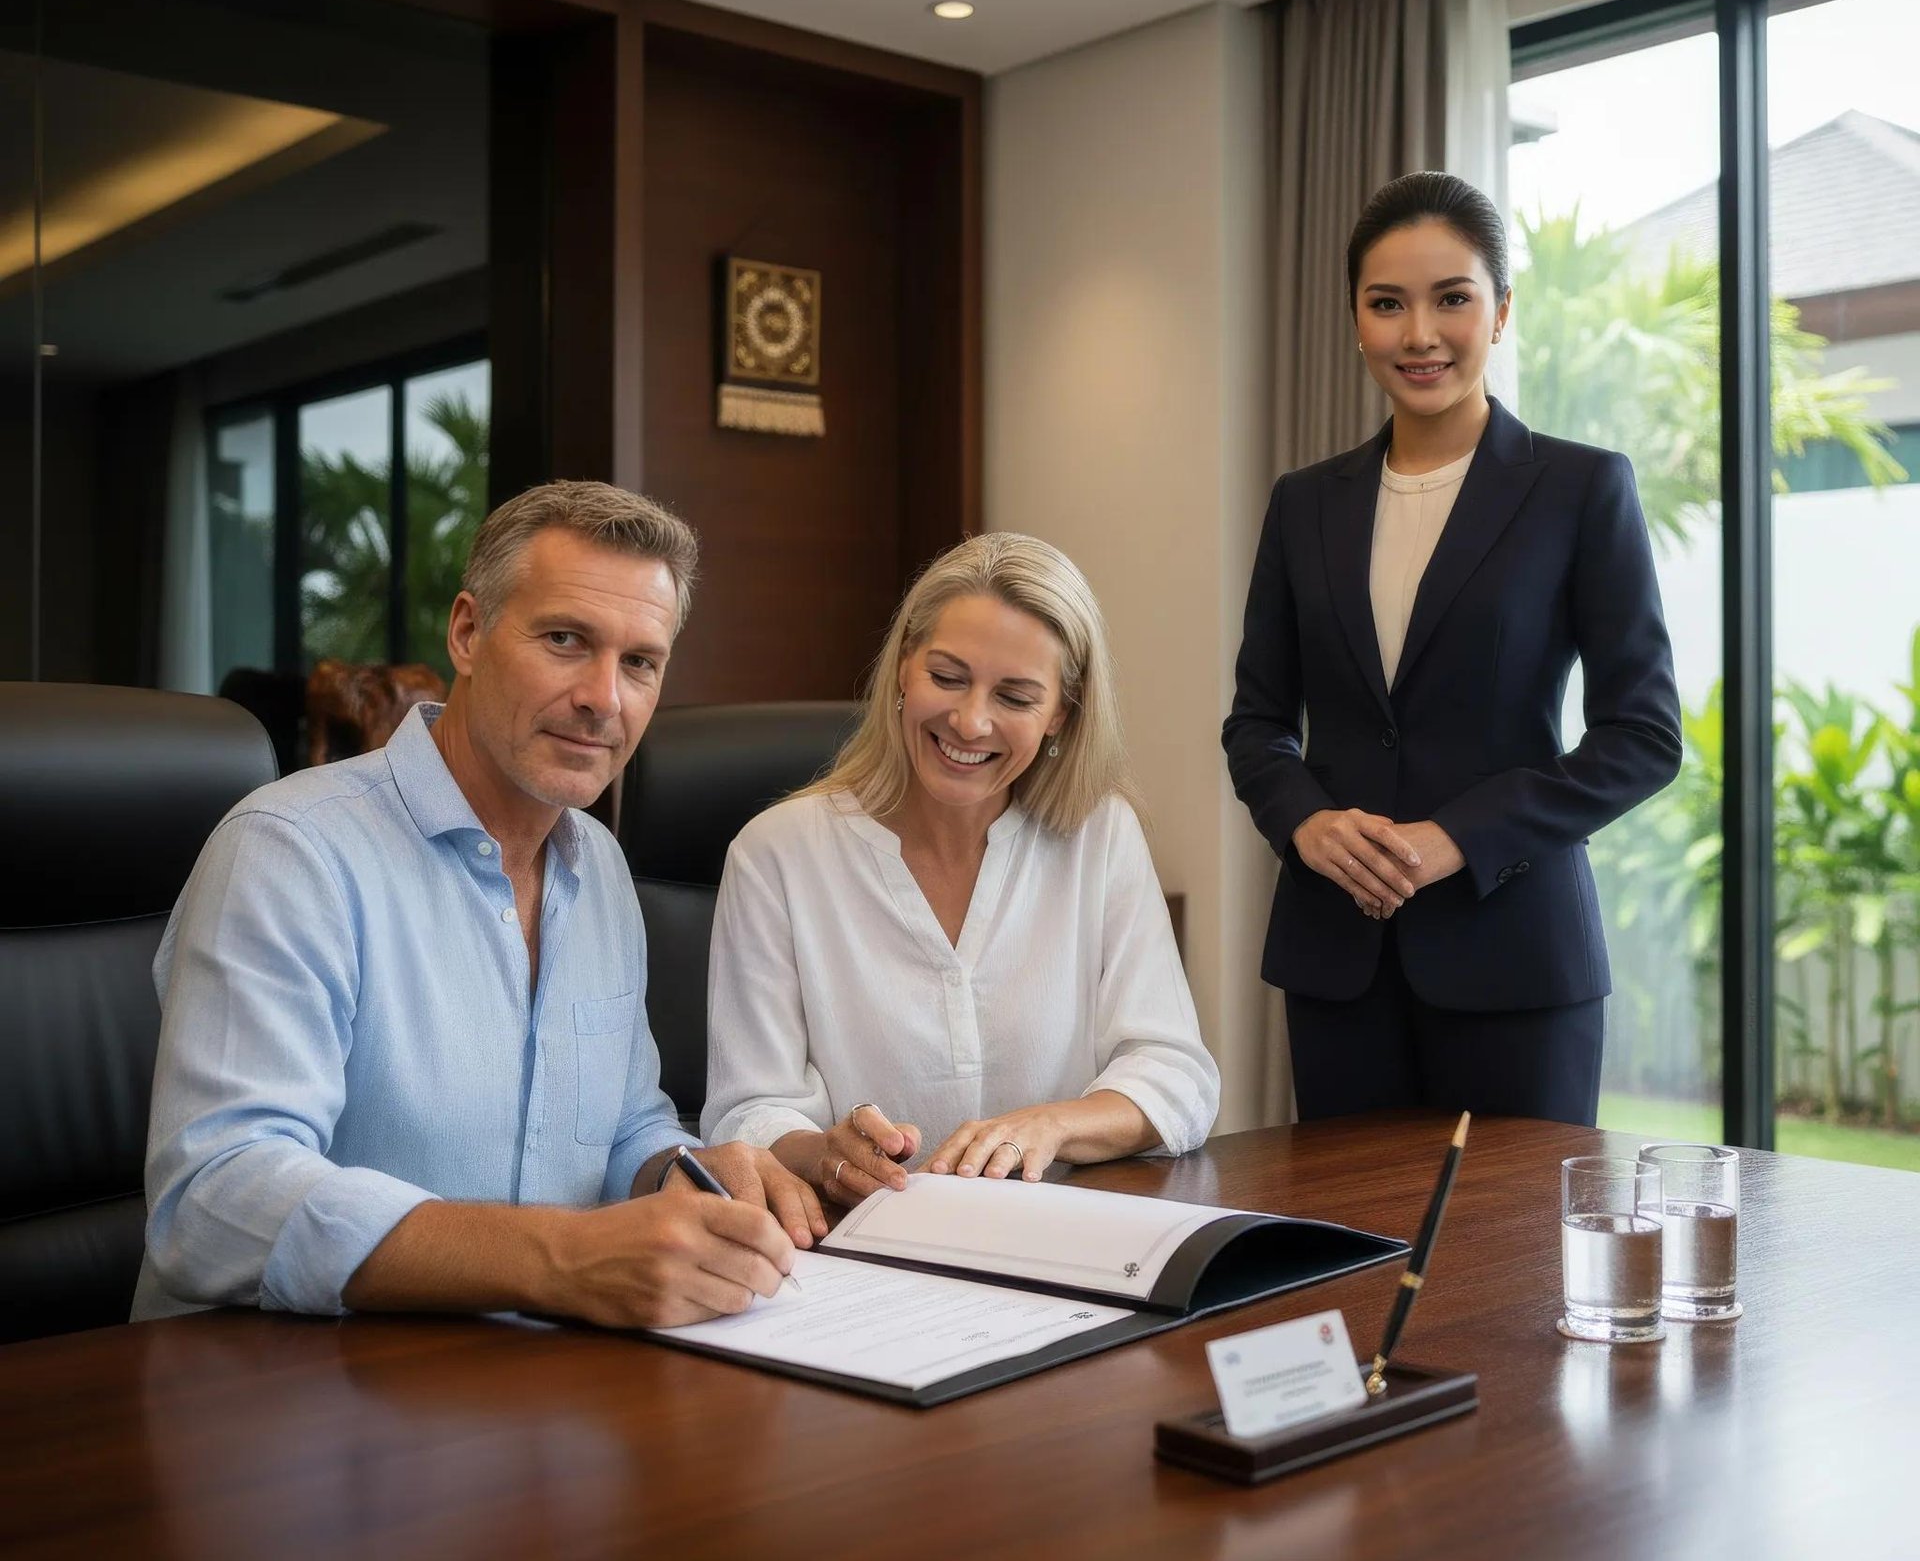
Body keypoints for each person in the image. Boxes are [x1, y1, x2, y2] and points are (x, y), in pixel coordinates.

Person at [136, 481, 822, 1329]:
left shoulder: (599, 865)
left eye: (640, 663)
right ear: (468, 632)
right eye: (566, 640)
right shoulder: (290, 850)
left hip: (521, 1387)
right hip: (283, 1394)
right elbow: (216, 1198)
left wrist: (688, 1174)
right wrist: (559, 1259)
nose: (604, 698)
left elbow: (623, 1128)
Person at [1223, 172, 1682, 1125]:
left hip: (1516, 956)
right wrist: (1306, 822)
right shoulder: (1303, 503)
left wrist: (1458, 839)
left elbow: (1643, 736)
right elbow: (1258, 723)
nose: (1418, 334)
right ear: (1356, 319)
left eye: (1452, 299)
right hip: (1336, 957)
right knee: (1351, 1256)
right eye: (1387, 304)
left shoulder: (1581, 489)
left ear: (1502, 311)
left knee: (1512, 1268)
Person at [701, 532, 1219, 1204]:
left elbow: (1176, 1075)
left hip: (1058, 1233)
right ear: (902, 669)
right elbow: (747, 1109)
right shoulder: (775, 854)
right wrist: (820, 1152)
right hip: (862, 1245)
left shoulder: (1100, 835)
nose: (971, 722)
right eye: (946, 678)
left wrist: (1050, 1126)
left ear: (1061, 713)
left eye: (1015, 697)